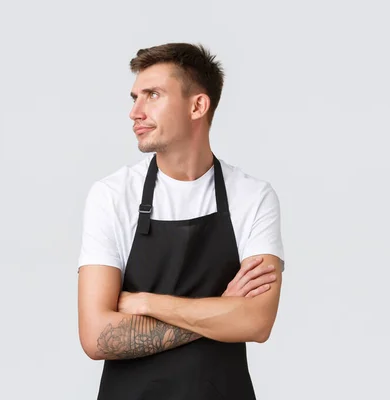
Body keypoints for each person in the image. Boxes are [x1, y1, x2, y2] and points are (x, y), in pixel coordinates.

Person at [77, 42, 285, 400]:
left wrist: (148, 303)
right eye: (134, 97)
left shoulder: (252, 197)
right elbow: (97, 337)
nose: (135, 112)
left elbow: (257, 322)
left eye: (152, 95)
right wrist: (220, 309)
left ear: (197, 106)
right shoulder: (112, 196)